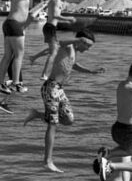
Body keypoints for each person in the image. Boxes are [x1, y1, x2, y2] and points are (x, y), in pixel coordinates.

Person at [23, 28, 104, 173]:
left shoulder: (74, 52)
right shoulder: (68, 46)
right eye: (87, 45)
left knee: (68, 119)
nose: (88, 49)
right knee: (53, 124)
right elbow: (60, 42)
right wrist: (77, 40)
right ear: (81, 41)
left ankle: (36, 115)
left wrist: (91, 71)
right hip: (50, 87)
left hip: (59, 90)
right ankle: (47, 161)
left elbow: (74, 65)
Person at [0, 0, 45, 100]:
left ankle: (0, 83)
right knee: (19, 55)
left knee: (7, 55)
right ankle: (16, 83)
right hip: (14, 25)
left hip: (8, 24)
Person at [29, 0, 77, 80]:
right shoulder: (57, 1)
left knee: (55, 48)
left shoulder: (53, 1)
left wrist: (66, 22)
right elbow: (55, 15)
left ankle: (34, 57)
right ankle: (44, 75)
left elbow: (53, 16)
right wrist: (69, 18)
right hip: (50, 28)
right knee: (54, 53)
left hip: (50, 27)